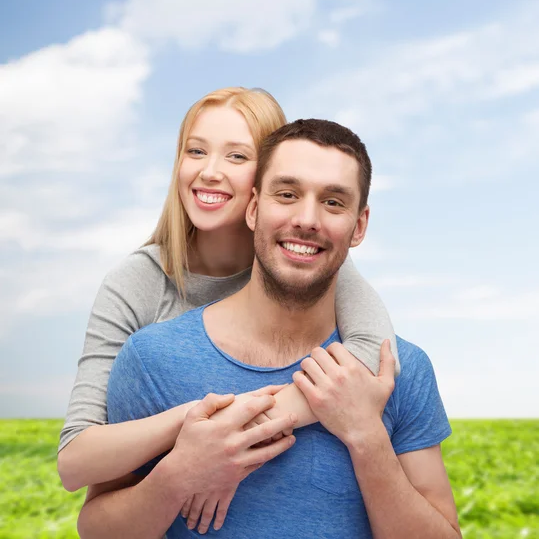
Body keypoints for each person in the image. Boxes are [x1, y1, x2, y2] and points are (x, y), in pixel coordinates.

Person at [77, 119, 461, 539]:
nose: (307, 219)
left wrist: (366, 436)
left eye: (333, 202)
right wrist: (178, 475)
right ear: (254, 208)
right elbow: (96, 528)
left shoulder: (400, 370)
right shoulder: (150, 359)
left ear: (360, 225)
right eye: (287, 194)